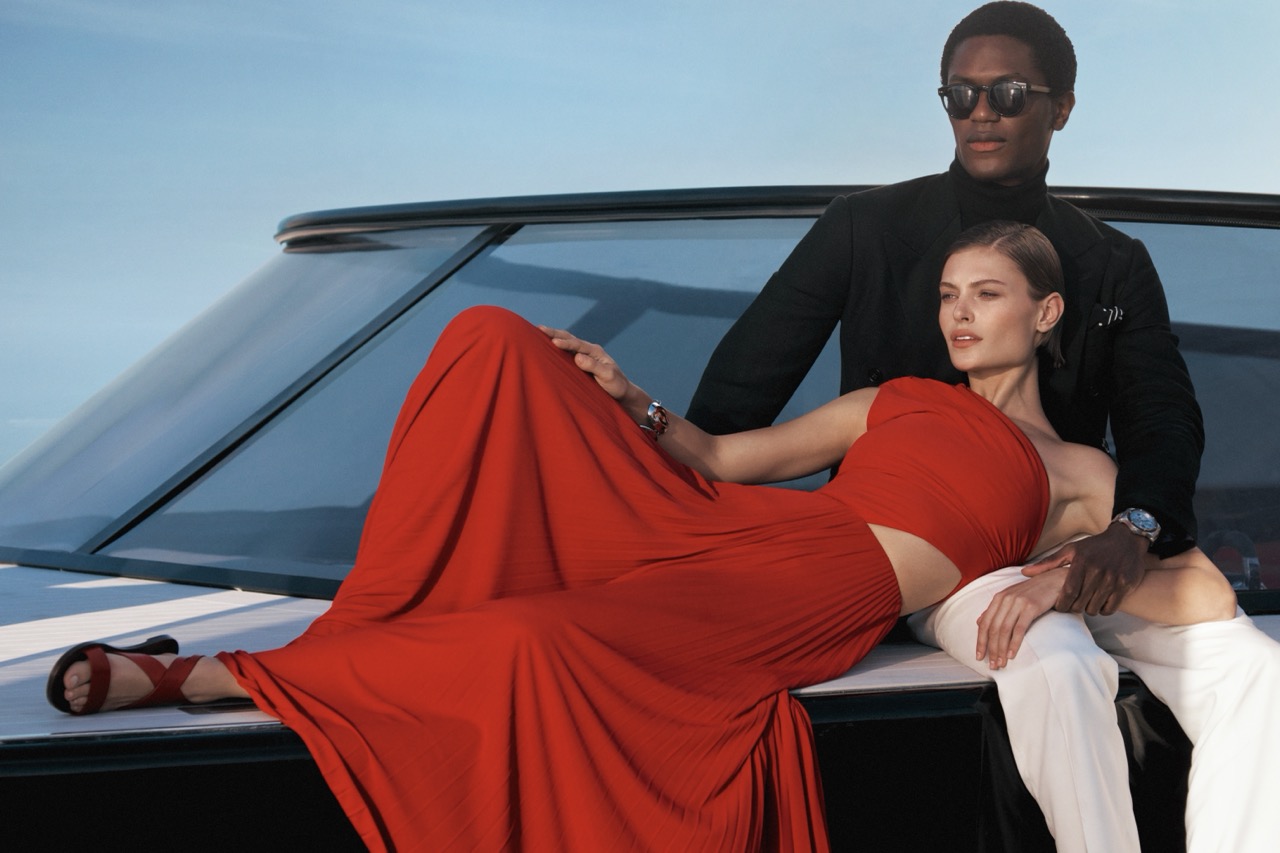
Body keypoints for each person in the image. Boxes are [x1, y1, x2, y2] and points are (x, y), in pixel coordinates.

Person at [48, 223, 1249, 852]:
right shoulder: (887, 399)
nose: (957, 314)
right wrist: (634, 402)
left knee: (534, 637)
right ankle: (267, 663)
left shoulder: (1078, 472)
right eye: (944, 294)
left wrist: (1068, 576)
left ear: (1043, 313)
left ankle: (210, 676)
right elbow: (722, 461)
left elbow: (1197, 603)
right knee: (490, 340)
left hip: (822, 587)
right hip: (747, 533)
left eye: (983, 294)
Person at [685, 3, 1280, 851]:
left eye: (1007, 93)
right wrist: (691, 537)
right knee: (1061, 659)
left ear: (1061, 106)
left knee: (1256, 668)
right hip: (942, 557)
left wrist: (1134, 529)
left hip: (1078, 544)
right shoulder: (865, 228)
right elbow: (739, 390)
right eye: (959, 94)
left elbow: (1162, 416)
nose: (980, 113)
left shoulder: (1113, 261)